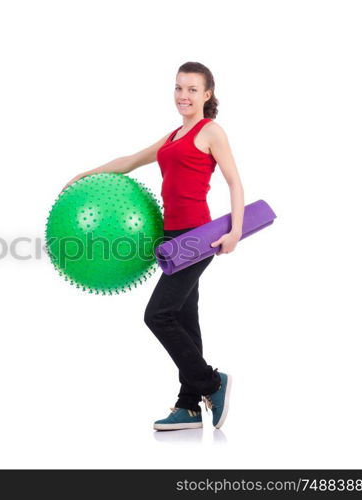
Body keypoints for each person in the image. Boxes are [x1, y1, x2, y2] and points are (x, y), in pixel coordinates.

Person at [64, 62, 244, 431]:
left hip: (198, 235)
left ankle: (212, 382)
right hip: (170, 236)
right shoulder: (174, 136)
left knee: (158, 315)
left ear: (207, 95)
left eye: (193, 89)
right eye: (179, 88)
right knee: (183, 317)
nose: (183, 95)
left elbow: (234, 182)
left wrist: (235, 230)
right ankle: (189, 406)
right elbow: (130, 162)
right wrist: (88, 174)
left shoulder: (212, 132)